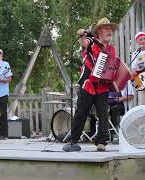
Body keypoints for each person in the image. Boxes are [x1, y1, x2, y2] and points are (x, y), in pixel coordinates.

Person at [63, 17, 118, 152]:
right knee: (81, 112)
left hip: (103, 86)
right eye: (107, 29)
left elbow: (112, 67)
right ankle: (74, 141)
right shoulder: (92, 42)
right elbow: (83, 43)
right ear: (99, 31)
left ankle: (101, 142)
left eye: (110, 29)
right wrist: (82, 34)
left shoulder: (111, 49)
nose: (109, 31)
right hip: (88, 83)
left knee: (104, 113)